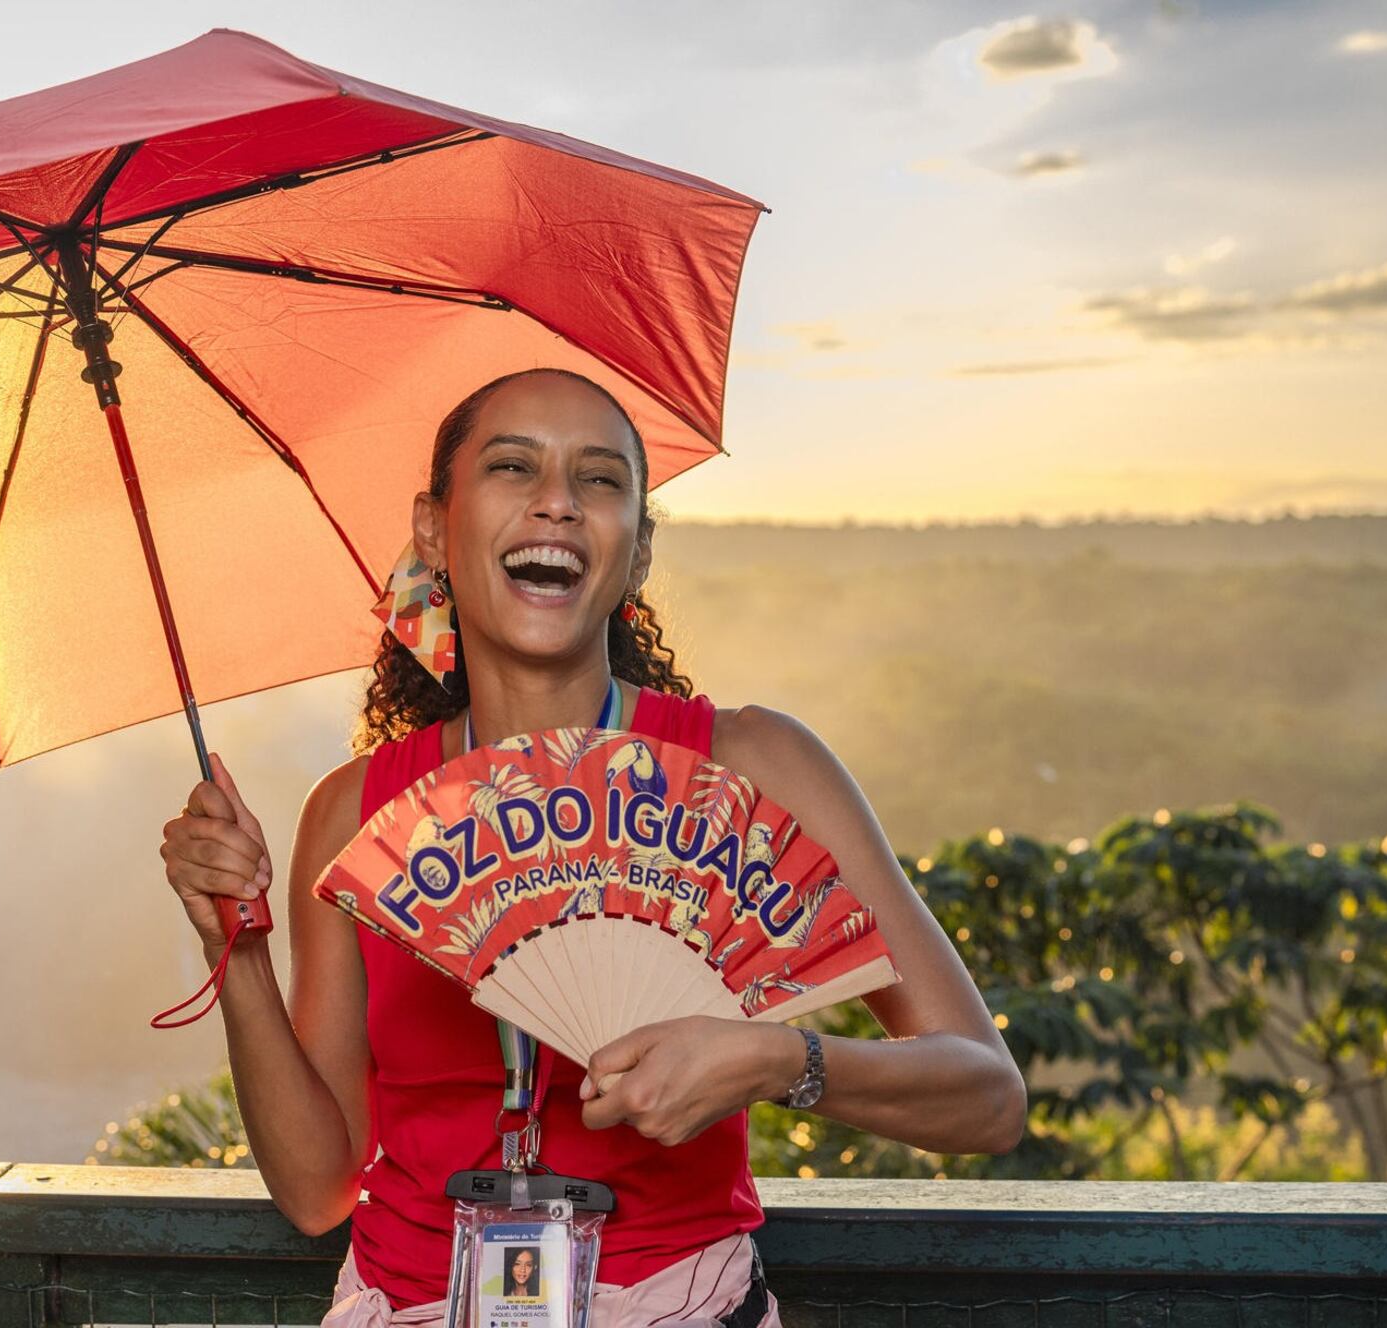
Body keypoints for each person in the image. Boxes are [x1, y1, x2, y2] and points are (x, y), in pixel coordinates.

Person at [158, 367, 1027, 1327]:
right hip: (404, 1304)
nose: (558, 502)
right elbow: (316, 1187)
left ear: (638, 550)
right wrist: (235, 953)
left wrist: (776, 1061)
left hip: (680, 1306)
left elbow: (986, 1097)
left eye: (601, 479)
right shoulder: (352, 815)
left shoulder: (753, 768)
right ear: (434, 530)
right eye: (512, 466)